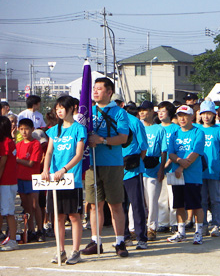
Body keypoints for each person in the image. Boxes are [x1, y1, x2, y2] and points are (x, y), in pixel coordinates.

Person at [82, 77, 129, 258]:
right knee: (94, 205)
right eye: (93, 88)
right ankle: (96, 240)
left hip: (112, 164)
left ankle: (119, 241)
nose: (95, 91)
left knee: (115, 204)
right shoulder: (87, 112)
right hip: (92, 164)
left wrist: (101, 140)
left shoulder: (119, 113)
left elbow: (123, 138)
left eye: (99, 89)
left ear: (109, 92)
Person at [41, 95, 86, 264]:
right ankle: (60, 251)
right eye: (57, 108)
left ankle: (76, 251)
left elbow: (79, 154)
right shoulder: (53, 130)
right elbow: (49, 152)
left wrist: (64, 169)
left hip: (72, 179)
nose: (59, 111)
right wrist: (46, 170)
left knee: (74, 216)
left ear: (72, 108)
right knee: (58, 216)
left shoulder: (78, 129)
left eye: (62, 107)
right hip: (55, 180)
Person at [167, 105, 205, 245]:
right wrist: (178, 161)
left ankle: (198, 232)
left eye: (185, 115)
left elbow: (195, 152)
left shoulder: (198, 133)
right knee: (179, 205)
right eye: (179, 116)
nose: (182, 118)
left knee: (195, 205)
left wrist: (181, 167)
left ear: (191, 117)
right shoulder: (174, 134)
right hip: (177, 176)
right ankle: (181, 232)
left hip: (192, 176)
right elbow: (171, 153)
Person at [138, 100, 167, 241]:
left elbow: (163, 151)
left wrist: (161, 169)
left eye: (145, 110)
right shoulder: (137, 126)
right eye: (140, 110)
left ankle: (152, 228)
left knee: (152, 200)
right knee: (137, 200)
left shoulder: (159, 129)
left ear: (151, 112)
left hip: (154, 166)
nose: (142, 113)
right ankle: (134, 228)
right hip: (139, 167)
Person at [122, 104, 149, 250]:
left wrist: (136, 162)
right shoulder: (109, 120)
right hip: (114, 169)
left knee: (137, 204)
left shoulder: (134, 122)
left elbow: (144, 147)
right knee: (119, 206)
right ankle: (124, 237)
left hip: (132, 170)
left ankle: (141, 238)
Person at [199, 100, 220, 237]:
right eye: (204, 113)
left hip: (215, 169)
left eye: (209, 114)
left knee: (216, 199)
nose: (206, 117)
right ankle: (203, 224)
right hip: (199, 170)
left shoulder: (219, 130)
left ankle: (215, 224)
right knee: (202, 199)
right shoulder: (197, 129)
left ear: (214, 114)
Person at [16, 118, 45, 242]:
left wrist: (17, 160)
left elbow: (31, 163)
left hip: (33, 178)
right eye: (21, 129)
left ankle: (40, 229)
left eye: (26, 129)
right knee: (27, 206)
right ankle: (31, 230)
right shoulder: (18, 145)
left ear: (32, 129)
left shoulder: (36, 144)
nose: (24, 132)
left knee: (35, 205)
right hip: (20, 178)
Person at [157, 101, 180, 233]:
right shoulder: (156, 128)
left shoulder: (176, 128)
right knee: (161, 197)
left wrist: (168, 162)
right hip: (158, 168)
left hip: (173, 168)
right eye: (158, 111)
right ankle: (163, 222)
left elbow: (177, 149)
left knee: (174, 196)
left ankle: (175, 222)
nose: (160, 113)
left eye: (163, 111)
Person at [0, 116, 19, 251]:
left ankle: (13, 240)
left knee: (8, 213)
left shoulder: (5, 142)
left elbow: (2, 164)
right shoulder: (9, 141)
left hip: (6, 182)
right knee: (4, 212)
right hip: (9, 182)